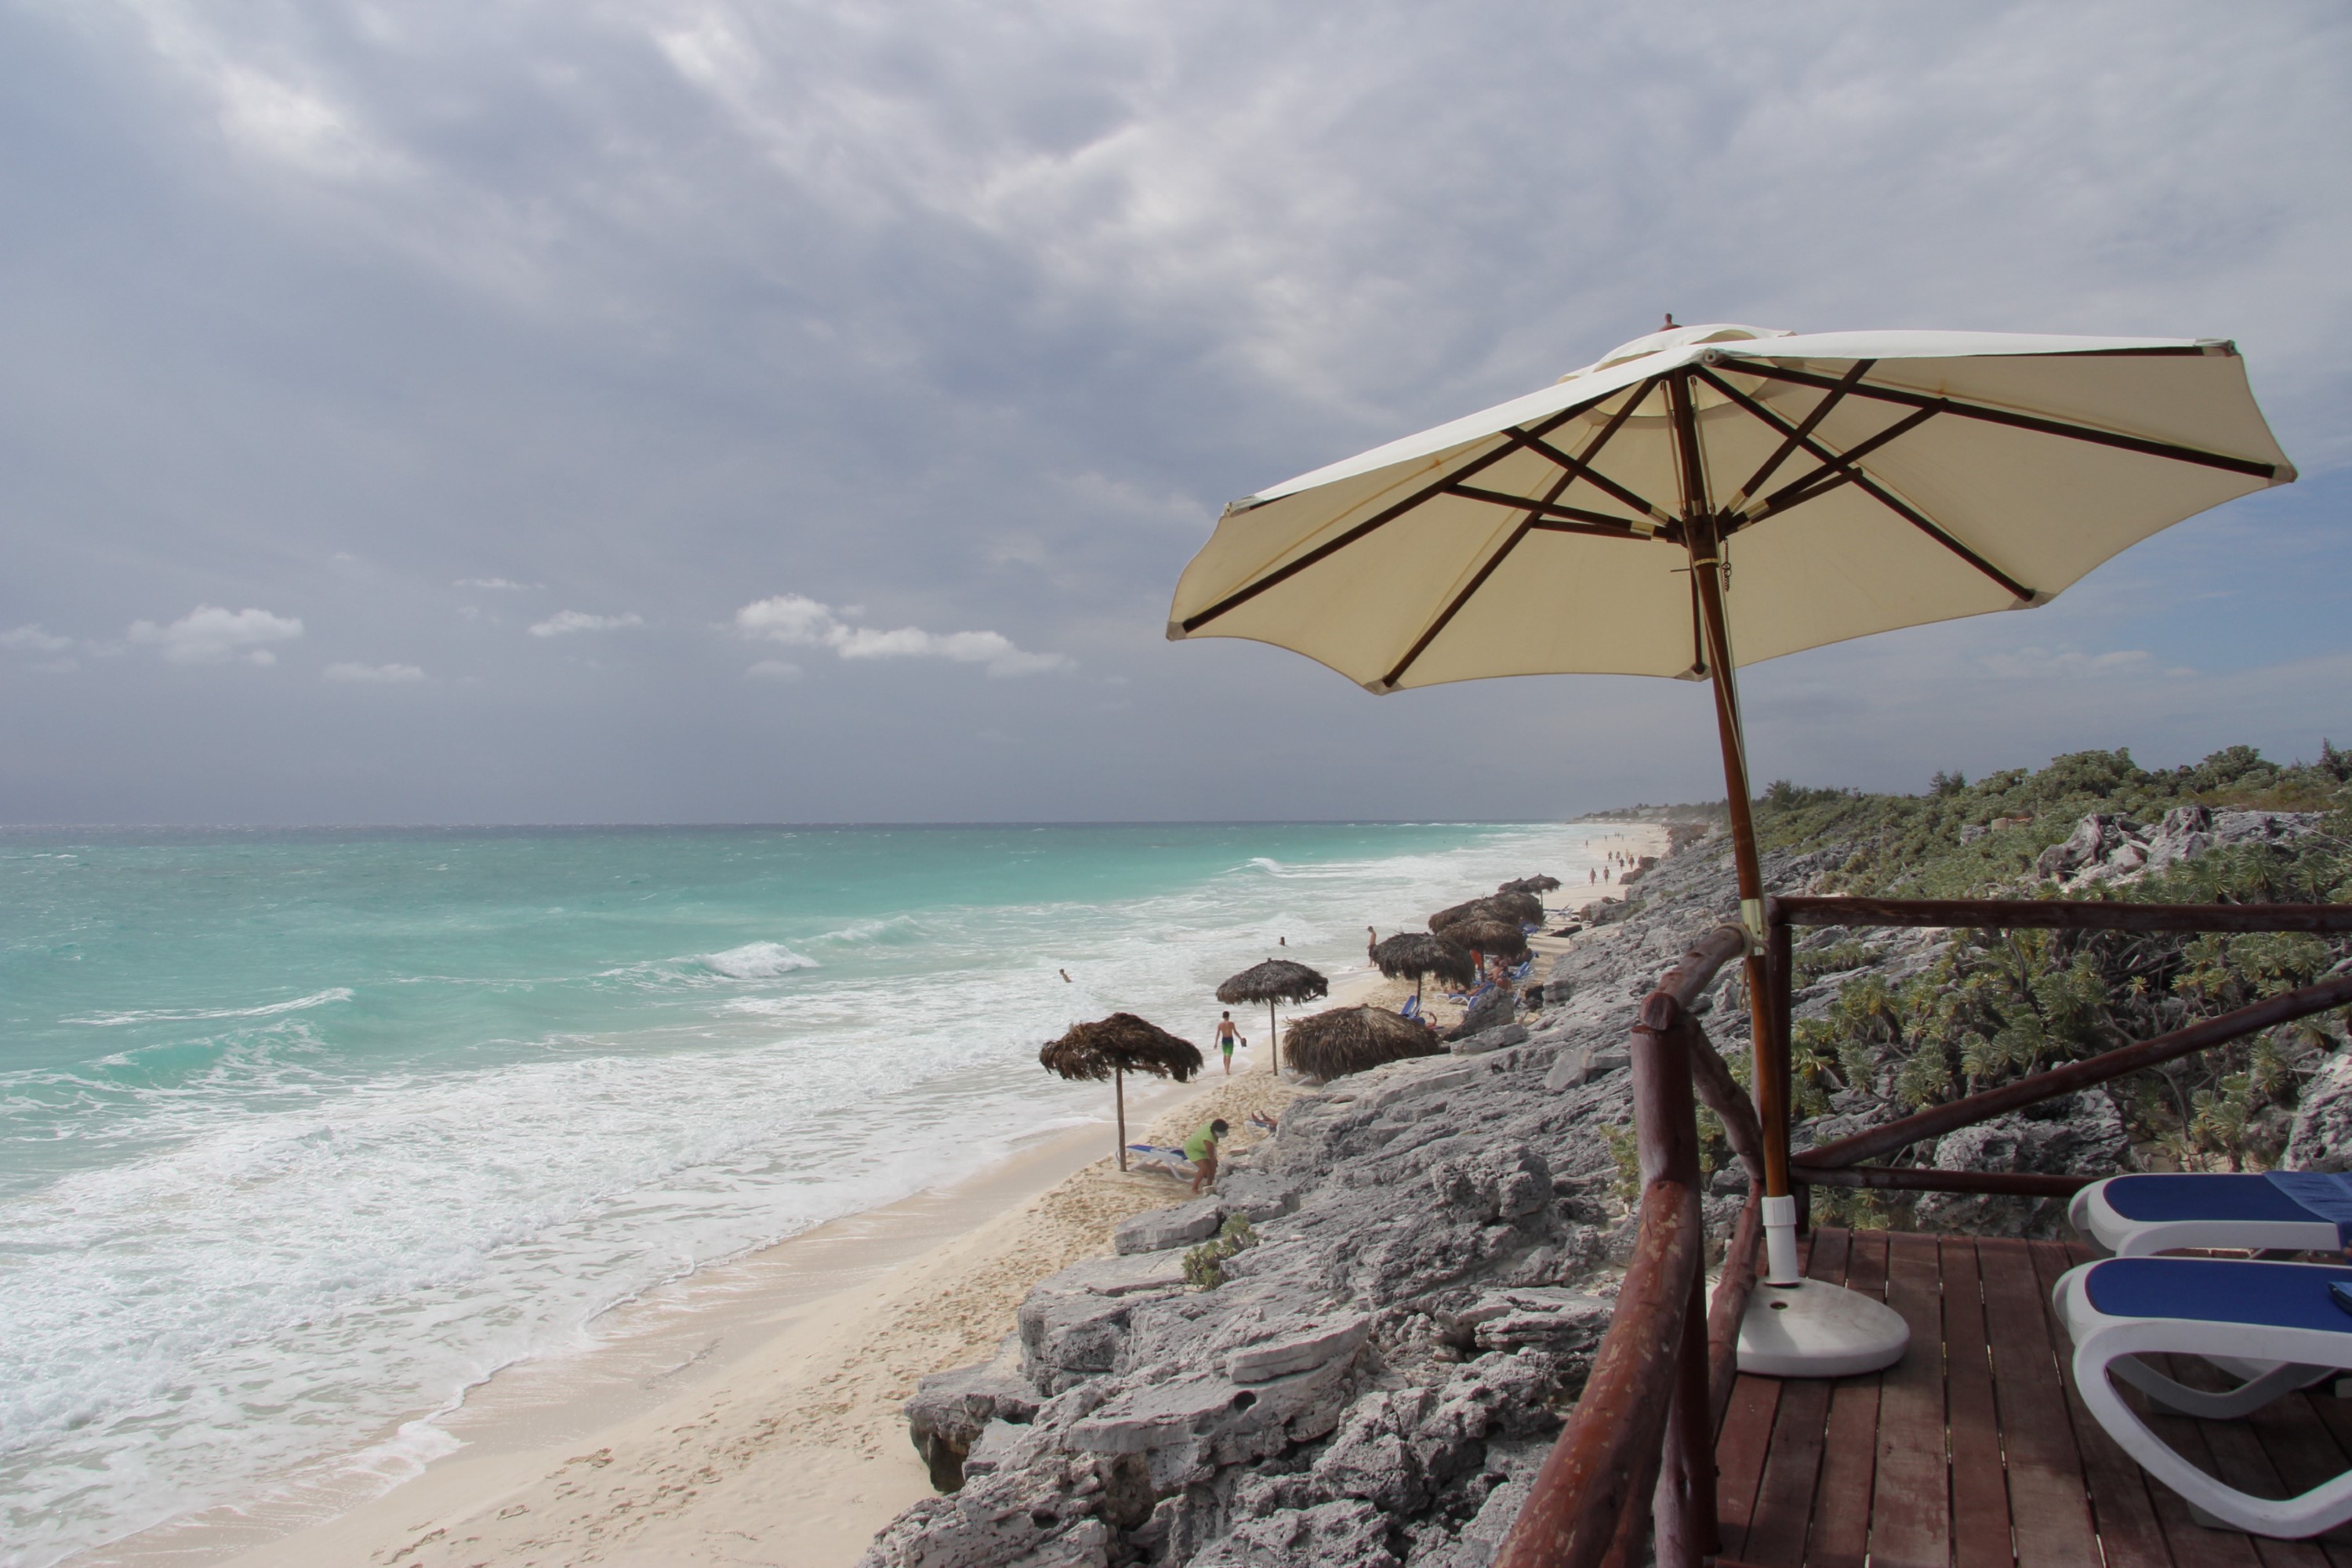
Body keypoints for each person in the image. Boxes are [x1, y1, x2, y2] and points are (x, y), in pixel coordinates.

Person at [1186, 1118, 1229, 1195]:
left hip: (1202, 1147)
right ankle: (1194, 1188)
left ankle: (1209, 1185)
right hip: (1193, 1149)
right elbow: (1212, 1160)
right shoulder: (1208, 1140)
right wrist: (1213, 1162)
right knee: (1205, 1167)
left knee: (1212, 1167)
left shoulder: (1215, 1123)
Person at [1214, 1011, 1240, 1075]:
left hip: (1224, 1040)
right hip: (1230, 1040)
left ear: (1223, 1017)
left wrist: (1216, 1043)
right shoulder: (1231, 1024)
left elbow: (1218, 1034)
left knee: (1225, 1055)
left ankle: (1226, 1068)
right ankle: (1227, 1070)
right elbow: (1235, 1032)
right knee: (1228, 1056)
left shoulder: (1220, 1024)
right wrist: (1240, 1038)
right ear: (1228, 1016)